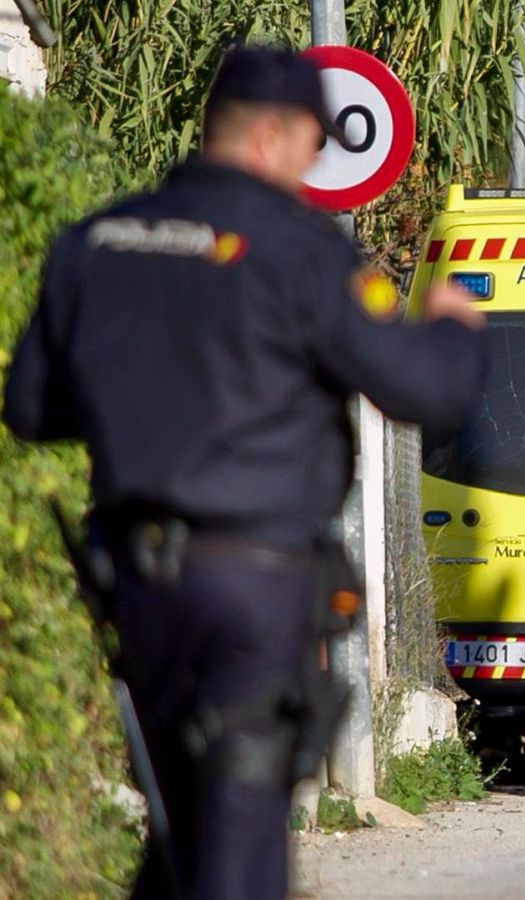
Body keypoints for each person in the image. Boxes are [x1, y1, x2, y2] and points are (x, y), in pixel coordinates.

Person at [2, 47, 487, 898]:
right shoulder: (300, 253)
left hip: (137, 587)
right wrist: (452, 327)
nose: (311, 165)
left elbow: (33, 409)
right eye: (310, 144)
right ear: (270, 136)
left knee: (176, 827)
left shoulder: (98, 241)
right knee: (239, 835)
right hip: (252, 588)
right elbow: (421, 391)